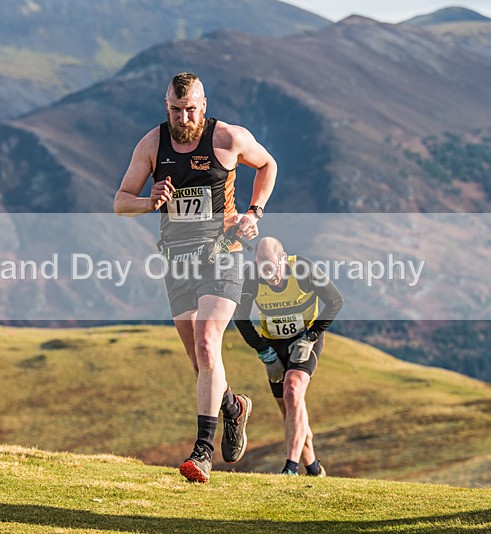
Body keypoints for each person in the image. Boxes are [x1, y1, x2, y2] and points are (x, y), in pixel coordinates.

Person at [114, 72, 277, 483]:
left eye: (190, 109)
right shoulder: (152, 145)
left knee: (208, 342)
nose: (183, 117)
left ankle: (202, 452)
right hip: (177, 261)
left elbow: (268, 164)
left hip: (223, 253)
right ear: (165, 105)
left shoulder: (228, 139)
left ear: (203, 105)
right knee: (200, 360)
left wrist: (254, 212)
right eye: (175, 109)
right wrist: (148, 201)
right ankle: (233, 407)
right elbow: (120, 203)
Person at [234, 237, 343, 476]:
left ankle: (290, 469)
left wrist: (312, 335)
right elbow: (240, 318)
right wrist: (263, 350)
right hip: (274, 345)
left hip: (303, 340)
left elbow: (335, 301)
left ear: (283, 259)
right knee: (291, 411)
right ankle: (314, 469)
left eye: (272, 267)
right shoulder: (251, 277)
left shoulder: (303, 270)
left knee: (293, 390)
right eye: (263, 269)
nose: (269, 275)